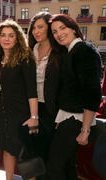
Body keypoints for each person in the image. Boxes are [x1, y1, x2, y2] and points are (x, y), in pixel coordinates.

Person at [48, 14, 101, 180]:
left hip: (76, 119)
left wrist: (85, 130)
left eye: (62, 28)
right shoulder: (70, 52)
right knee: (67, 165)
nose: (59, 34)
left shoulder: (85, 50)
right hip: (67, 117)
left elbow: (92, 93)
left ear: (73, 28)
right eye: (55, 31)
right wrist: (60, 119)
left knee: (54, 166)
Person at [0, 19, 38, 180]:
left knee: (26, 154)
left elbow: (32, 91)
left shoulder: (25, 58)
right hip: (3, 115)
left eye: (11, 35)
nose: (7, 39)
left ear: (17, 38)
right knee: (7, 150)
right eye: (3, 35)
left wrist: (34, 117)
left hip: (21, 114)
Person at [27, 12, 65, 179]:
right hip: (31, 108)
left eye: (40, 26)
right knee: (31, 153)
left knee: (48, 155)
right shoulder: (31, 50)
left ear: (49, 28)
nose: (36, 31)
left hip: (52, 111)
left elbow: (65, 85)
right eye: (33, 28)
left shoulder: (60, 52)